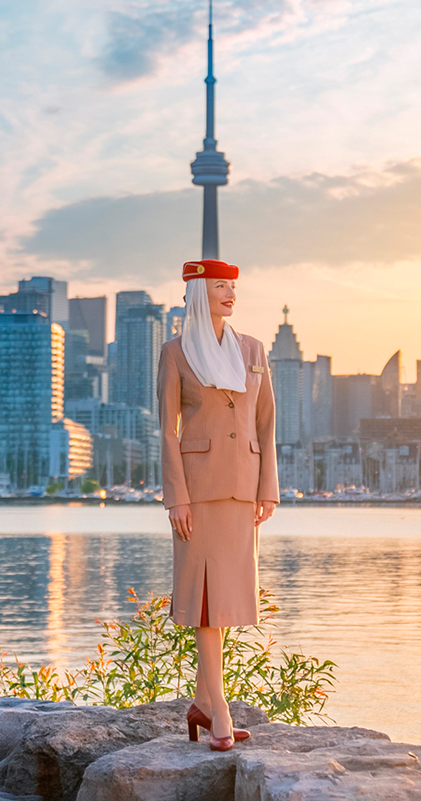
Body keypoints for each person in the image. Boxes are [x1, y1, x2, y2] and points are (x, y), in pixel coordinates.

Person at [157, 258, 280, 752]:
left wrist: (267, 487)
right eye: (220, 286)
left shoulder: (253, 348)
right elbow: (167, 429)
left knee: (225, 601)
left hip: (244, 488)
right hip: (198, 490)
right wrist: (176, 498)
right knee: (206, 602)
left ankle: (203, 702)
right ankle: (220, 711)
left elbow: (267, 422)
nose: (231, 293)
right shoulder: (175, 352)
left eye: (233, 286)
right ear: (197, 293)